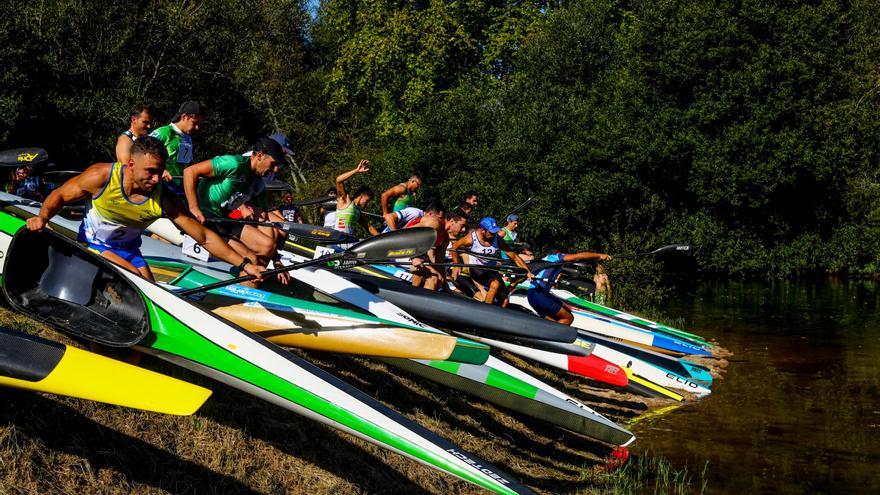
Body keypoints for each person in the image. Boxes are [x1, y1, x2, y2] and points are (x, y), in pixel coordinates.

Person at [25, 137, 265, 283]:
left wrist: (244, 265)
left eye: (160, 171)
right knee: (139, 284)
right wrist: (42, 217)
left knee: (153, 294)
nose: (156, 178)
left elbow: (203, 236)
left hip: (130, 251)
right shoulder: (101, 176)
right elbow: (59, 195)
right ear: (130, 164)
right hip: (94, 246)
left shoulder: (164, 199)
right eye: (150, 171)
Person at [183, 137, 287, 274]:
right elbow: (190, 171)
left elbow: (262, 219)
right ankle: (247, 282)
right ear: (260, 156)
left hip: (224, 220)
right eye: (273, 164)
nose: (275, 170)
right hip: (206, 218)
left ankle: (254, 279)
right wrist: (193, 208)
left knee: (267, 245)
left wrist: (277, 260)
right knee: (252, 259)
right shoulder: (234, 163)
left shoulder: (258, 183)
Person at [450, 217, 532, 305]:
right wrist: (456, 265)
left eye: (495, 232)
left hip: (491, 269)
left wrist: (528, 271)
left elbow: (514, 256)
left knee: (504, 300)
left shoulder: (498, 240)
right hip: (476, 268)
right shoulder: (471, 238)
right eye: (491, 232)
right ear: (482, 230)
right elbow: (455, 247)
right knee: (495, 284)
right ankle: (486, 311)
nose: (493, 235)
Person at [528, 248, 611, 325]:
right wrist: (600, 255)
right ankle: (552, 337)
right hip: (539, 295)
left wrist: (563, 304)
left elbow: (546, 292)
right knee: (568, 318)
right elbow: (580, 256)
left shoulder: (547, 260)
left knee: (553, 322)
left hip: (532, 296)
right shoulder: (557, 257)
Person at [150, 100, 206, 185]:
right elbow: (140, 152)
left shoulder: (188, 139)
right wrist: (160, 170)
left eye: (199, 124)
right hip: (159, 186)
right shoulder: (164, 132)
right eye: (195, 123)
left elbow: (184, 165)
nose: (197, 127)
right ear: (184, 117)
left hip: (177, 188)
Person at [400, 202, 445, 289]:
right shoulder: (433, 223)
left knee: (438, 280)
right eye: (440, 218)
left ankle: (414, 295)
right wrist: (414, 256)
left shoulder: (444, 236)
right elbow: (404, 235)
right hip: (402, 250)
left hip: (418, 254)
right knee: (434, 278)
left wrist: (446, 287)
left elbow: (439, 262)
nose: (463, 230)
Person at [334, 160, 379, 236]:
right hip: (336, 241)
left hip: (347, 242)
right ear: (362, 196)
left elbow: (369, 227)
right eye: (367, 201)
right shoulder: (345, 200)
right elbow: (338, 180)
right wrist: (356, 170)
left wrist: (383, 238)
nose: (366, 204)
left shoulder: (357, 212)